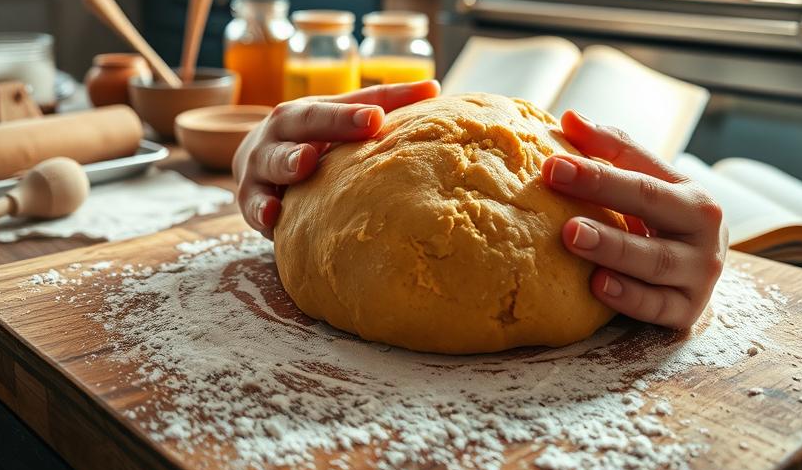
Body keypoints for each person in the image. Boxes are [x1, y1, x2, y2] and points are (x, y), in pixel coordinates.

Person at [233, 80, 727, 330]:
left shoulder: (613, 210)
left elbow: (680, 224)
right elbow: (290, 156)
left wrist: (695, 243)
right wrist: (265, 159)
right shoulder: (347, 155)